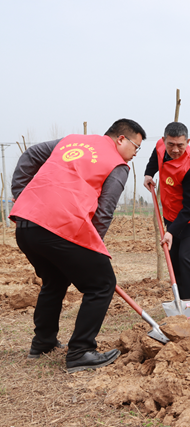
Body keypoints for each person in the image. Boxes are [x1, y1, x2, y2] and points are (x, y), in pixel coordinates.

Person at [10, 119, 146, 373]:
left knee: (55, 280)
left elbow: (30, 155)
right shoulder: (119, 165)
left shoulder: (71, 141)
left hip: (26, 224)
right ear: (121, 139)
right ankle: (81, 351)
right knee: (102, 283)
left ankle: (43, 344)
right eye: (136, 147)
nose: (135, 154)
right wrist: (93, 249)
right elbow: (105, 211)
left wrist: (22, 194)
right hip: (60, 227)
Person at [144, 122, 190, 320]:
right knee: (173, 259)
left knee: (185, 258)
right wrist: (149, 173)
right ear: (164, 140)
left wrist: (171, 232)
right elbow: (154, 158)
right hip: (171, 213)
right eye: (170, 144)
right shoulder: (160, 146)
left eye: (180, 145)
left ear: (187, 142)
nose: (174, 149)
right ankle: (182, 304)